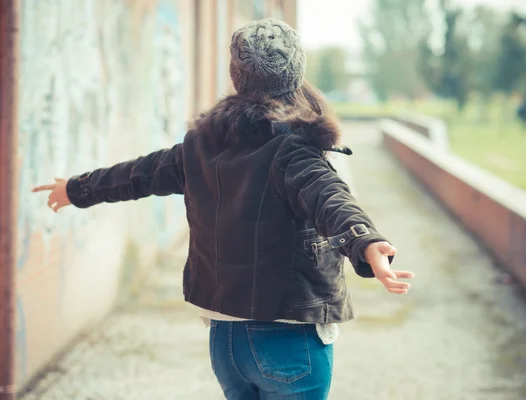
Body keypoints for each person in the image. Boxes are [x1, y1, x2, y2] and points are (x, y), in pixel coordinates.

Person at [33, 18, 414, 400]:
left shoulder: (201, 145)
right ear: (295, 74)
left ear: (238, 76)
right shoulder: (294, 150)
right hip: (287, 339)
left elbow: (138, 174)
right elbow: (330, 196)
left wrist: (76, 189)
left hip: (226, 342)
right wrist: (366, 242)